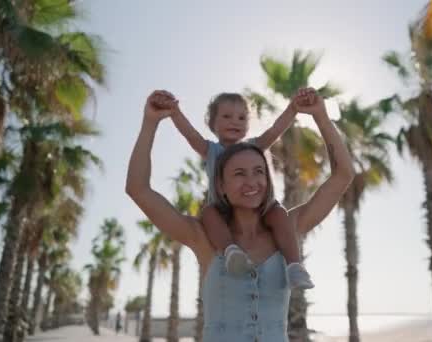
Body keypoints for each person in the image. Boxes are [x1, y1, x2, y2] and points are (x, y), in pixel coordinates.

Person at [126, 88, 353, 341]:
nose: (251, 181)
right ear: (220, 185)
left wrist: (320, 115)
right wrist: (150, 122)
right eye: (238, 174)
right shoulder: (203, 238)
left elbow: (343, 175)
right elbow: (138, 189)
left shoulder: (287, 227)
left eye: (259, 171)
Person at [149, 88, 314, 289]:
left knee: (279, 213)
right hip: (221, 209)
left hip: (258, 207)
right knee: (208, 213)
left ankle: (294, 265)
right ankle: (231, 251)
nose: (235, 121)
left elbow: (274, 131)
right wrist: (175, 112)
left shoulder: (254, 146)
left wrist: (293, 108)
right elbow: (190, 134)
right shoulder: (211, 150)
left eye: (241, 117)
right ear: (212, 123)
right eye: (227, 116)